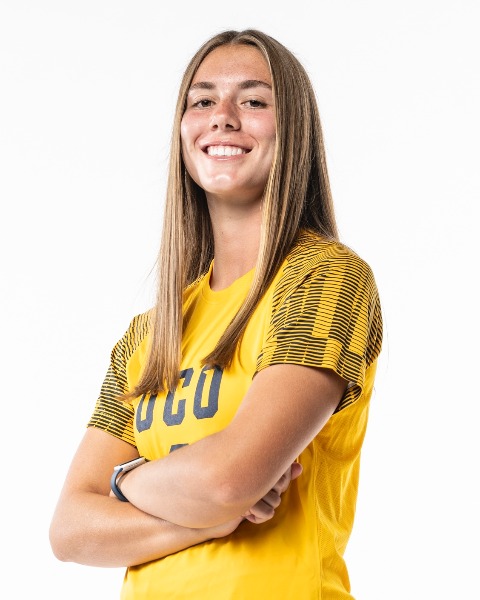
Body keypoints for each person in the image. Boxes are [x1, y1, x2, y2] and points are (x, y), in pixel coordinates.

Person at [49, 29, 383, 599]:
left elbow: (229, 479)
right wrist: (206, 519)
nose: (222, 117)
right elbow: (70, 529)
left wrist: (125, 484)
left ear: (293, 129)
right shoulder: (150, 333)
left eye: (253, 100)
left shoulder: (323, 280)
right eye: (202, 100)